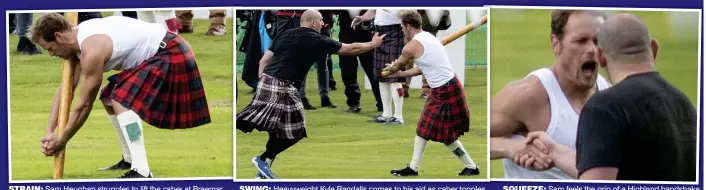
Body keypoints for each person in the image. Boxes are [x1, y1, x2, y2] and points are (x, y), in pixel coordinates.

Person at [521, 13, 697, 181]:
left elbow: (596, 184)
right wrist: (554, 151)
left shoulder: (604, 107)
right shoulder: (685, 105)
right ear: (653, 49)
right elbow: (620, 171)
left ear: (601, 57)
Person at [32, 13, 210, 178]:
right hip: (164, 51)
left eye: (49, 48)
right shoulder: (79, 40)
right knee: (109, 97)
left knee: (119, 98)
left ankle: (141, 170)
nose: (51, 54)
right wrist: (49, 132)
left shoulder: (93, 50)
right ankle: (129, 159)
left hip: (172, 52)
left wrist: (62, 139)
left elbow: (84, 105)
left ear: (58, 36)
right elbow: (66, 91)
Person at [236, 9, 386, 179]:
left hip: (267, 81)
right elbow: (350, 49)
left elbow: (264, 60)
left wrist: (263, 82)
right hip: (284, 85)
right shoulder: (317, 39)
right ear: (313, 22)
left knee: (279, 129)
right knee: (296, 130)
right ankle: (262, 159)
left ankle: (264, 168)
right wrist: (372, 45)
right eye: (321, 20)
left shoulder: (285, 34)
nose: (323, 23)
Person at [488, 10, 610, 179]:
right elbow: (474, 137)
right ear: (555, 43)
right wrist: (511, 147)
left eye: (598, 41)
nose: (592, 50)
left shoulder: (608, 93)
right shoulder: (529, 95)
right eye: (581, 41)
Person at [383, 10, 480, 177]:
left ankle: (413, 168)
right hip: (445, 87)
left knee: (426, 130)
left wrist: (391, 69)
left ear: (407, 26)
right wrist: (400, 73)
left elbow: (398, 65)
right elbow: (422, 68)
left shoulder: (410, 47)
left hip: (446, 90)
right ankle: (471, 166)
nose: (401, 30)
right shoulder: (428, 37)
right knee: (442, 134)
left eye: (401, 27)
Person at [352, 9, 406, 125]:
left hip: (396, 31)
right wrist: (361, 18)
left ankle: (398, 116)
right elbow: (373, 10)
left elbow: (408, 12)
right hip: (380, 33)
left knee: (394, 76)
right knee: (382, 76)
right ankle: (386, 114)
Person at [335, 10, 383, 113]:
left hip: (365, 34)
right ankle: (353, 103)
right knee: (348, 72)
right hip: (346, 34)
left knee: (372, 70)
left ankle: (381, 103)